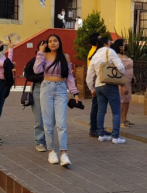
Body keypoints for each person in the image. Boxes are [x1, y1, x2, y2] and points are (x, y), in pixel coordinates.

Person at [35, 34, 79, 166]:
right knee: (48, 123)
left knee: (61, 123)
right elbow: (36, 70)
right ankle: (51, 152)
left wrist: (74, 92)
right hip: (46, 88)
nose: (52, 43)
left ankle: (64, 154)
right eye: (50, 41)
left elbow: (70, 76)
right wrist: (40, 53)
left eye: (55, 41)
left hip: (61, 89)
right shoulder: (44, 55)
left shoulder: (65, 57)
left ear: (59, 43)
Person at [87, 37, 127, 144]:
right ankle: (115, 136)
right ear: (106, 43)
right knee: (116, 111)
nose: (111, 43)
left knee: (101, 111)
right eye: (110, 41)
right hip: (110, 84)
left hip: (98, 86)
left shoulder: (94, 56)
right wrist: (123, 74)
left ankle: (101, 134)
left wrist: (92, 88)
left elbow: (89, 75)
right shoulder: (110, 52)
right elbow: (120, 66)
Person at [24, 40, 47, 152]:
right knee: (39, 118)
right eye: (42, 46)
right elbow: (28, 76)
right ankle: (40, 141)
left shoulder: (52, 60)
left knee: (49, 117)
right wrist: (42, 77)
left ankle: (47, 140)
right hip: (38, 88)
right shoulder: (33, 61)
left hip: (50, 89)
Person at [112, 39, 134, 128]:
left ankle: (125, 118)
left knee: (127, 101)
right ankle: (120, 120)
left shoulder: (125, 56)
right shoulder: (116, 57)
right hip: (121, 82)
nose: (125, 45)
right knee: (121, 101)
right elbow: (119, 71)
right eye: (124, 44)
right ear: (120, 47)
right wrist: (123, 85)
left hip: (128, 81)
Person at [87, 33, 101, 137]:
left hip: (96, 82)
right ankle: (94, 128)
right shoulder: (95, 53)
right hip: (97, 82)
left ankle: (96, 127)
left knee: (98, 106)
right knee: (96, 106)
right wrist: (92, 88)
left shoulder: (94, 52)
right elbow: (91, 72)